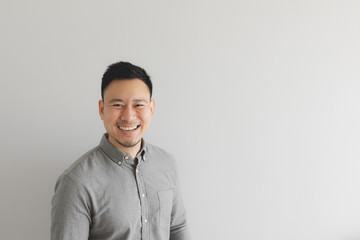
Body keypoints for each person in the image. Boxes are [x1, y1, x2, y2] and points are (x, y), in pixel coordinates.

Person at [51, 61, 190, 240]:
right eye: (117, 105)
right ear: (102, 109)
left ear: (151, 108)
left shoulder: (166, 164)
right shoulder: (76, 182)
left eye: (138, 105)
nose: (128, 116)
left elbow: (177, 227)